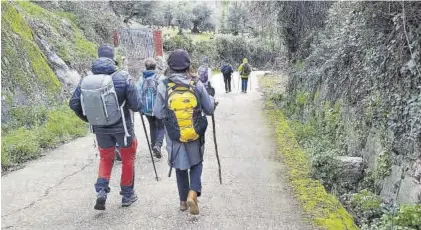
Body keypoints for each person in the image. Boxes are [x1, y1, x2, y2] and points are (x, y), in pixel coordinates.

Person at [69, 44, 141, 210]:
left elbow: (73, 103)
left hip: (100, 128)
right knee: (128, 158)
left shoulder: (87, 79)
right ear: (113, 58)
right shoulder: (123, 77)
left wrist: (89, 119)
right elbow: (136, 106)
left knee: (105, 158)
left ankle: (101, 190)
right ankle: (127, 195)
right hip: (122, 127)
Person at [154, 49, 216, 215]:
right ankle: (193, 193)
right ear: (188, 65)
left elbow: (158, 113)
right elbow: (209, 109)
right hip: (195, 133)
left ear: (169, 66)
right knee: (196, 163)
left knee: (180, 166)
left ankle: (182, 202)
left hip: (174, 135)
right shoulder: (196, 83)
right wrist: (210, 97)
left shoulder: (163, 84)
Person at [137, 58, 166, 158]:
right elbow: (164, 93)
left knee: (152, 126)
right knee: (161, 126)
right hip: (158, 108)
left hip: (147, 109)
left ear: (145, 67)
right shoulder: (160, 78)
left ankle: (153, 146)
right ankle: (158, 145)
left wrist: (140, 108)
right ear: (155, 66)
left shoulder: (142, 79)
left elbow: (138, 93)